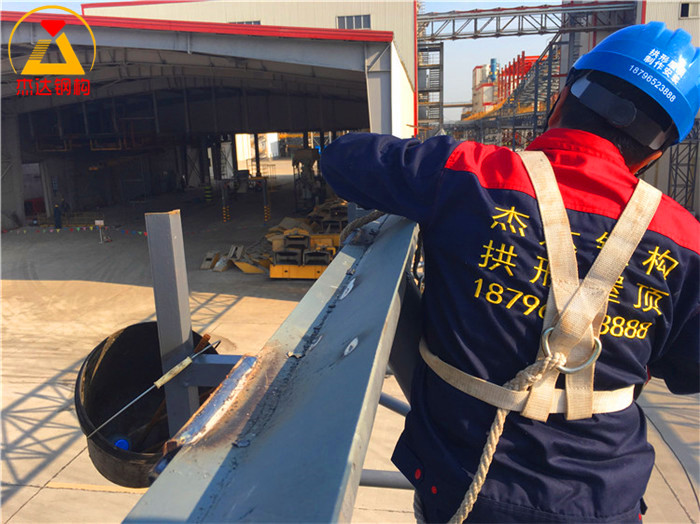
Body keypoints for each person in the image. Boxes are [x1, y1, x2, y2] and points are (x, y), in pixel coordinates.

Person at [321, 22, 699, 523]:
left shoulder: (470, 174)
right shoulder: (685, 239)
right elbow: (688, 369)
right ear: (656, 152)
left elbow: (344, 159)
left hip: (468, 486)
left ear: (561, 99)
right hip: (604, 498)